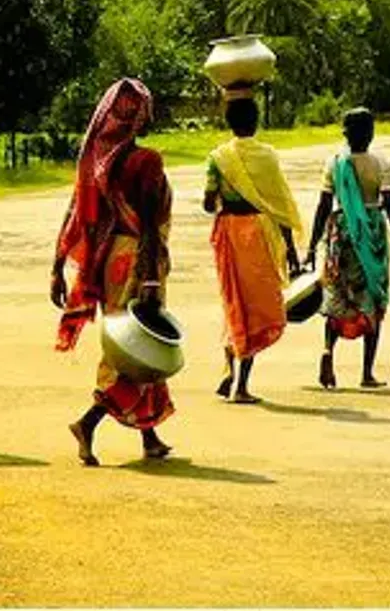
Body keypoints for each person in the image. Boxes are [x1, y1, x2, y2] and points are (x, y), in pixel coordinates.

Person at [51, 78, 174, 466]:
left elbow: (76, 215)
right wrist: (150, 277)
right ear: (136, 117)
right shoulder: (146, 161)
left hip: (109, 263)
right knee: (138, 348)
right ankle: (88, 422)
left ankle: (149, 436)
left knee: (136, 346)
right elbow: (151, 224)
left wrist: (58, 267)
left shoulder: (99, 164)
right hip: (137, 260)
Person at [203, 95, 302, 404]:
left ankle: (230, 368)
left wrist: (223, 198)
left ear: (228, 122)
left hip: (228, 233)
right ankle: (242, 384)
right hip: (258, 235)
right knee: (257, 308)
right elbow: (281, 206)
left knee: (232, 301)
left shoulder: (218, 157)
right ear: (256, 121)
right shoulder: (269, 157)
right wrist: (292, 251)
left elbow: (208, 204)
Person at [305, 108, 390, 389]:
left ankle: (328, 350)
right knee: (374, 299)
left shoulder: (335, 163)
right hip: (371, 235)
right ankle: (366, 373)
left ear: (345, 133)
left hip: (340, 234)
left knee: (337, 295)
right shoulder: (381, 164)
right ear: (372, 133)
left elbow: (323, 206)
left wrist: (312, 244)